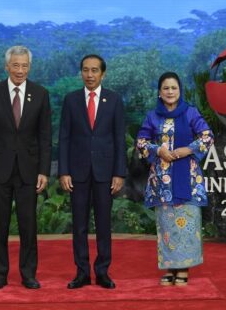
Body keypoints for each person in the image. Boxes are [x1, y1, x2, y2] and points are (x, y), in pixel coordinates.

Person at [0, 45, 51, 290]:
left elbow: (45, 136)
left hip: (29, 171)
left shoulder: (41, 93)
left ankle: (28, 274)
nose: (20, 70)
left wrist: (43, 171)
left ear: (30, 67)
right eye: (16, 65)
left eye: (25, 65)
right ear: (7, 66)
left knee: (28, 226)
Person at [136, 71, 213, 286]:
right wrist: (158, 150)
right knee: (167, 226)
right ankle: (171, 268)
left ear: (180, 91)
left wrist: (187, 150)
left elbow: (207, 137)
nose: (170, 92)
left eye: (174, 88)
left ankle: (184, 269)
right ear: (160, 93)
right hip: (162, 183)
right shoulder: (153, 116)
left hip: (188, 181)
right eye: (166, 88)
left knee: (187, 225)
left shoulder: (190, 113)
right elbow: (141, 142)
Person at [58, 54, 127, 289]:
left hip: (105, 174)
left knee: (104, 224)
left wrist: (119, 173)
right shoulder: (71, 100)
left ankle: (103, 272)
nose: (90, 75)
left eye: (94, 70)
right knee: (79, 225)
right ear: (81, 73)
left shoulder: (114, 100)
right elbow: (64, 138)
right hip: (76, 174)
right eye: (86, 70)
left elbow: (119, 139)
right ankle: (82, 272)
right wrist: (63, 171)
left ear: (103, 73)